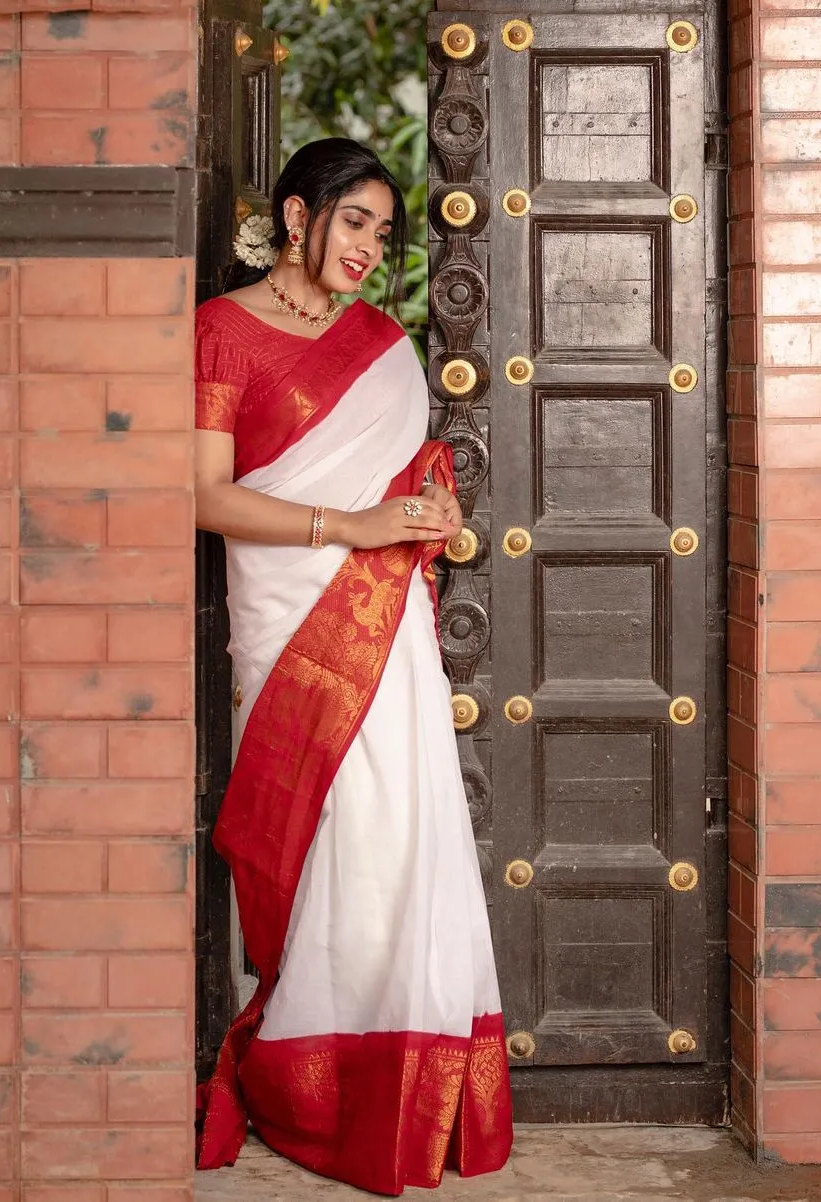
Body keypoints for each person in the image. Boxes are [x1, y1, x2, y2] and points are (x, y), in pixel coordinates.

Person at [194, 137, 513, 1196]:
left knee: (398, 831)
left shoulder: (382, 339)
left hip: (386, 623)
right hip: (288, 621)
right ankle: (313, 1076)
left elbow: (405, 469)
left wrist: (428, 500)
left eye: (385, 229)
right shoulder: (222, 333)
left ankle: (407, 1072)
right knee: (322, 831)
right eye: (355, 222)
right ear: (298, 216)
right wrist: (354, 519)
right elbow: (207, 495)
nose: (372, 247)